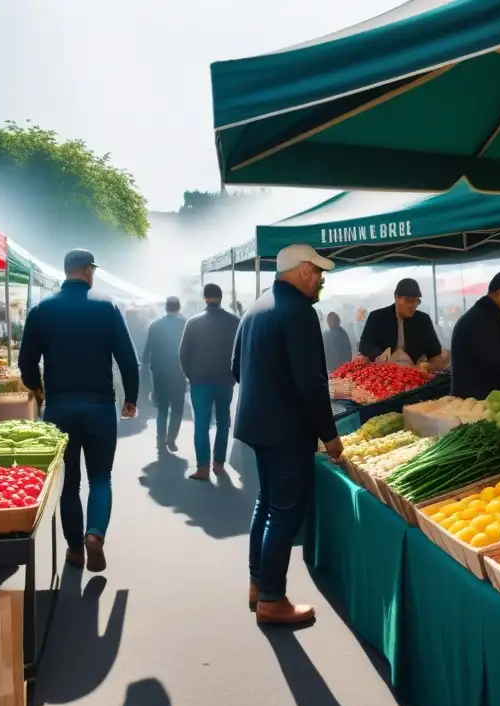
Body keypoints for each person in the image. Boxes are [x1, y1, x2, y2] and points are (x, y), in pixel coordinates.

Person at [233, 244, 342, 625]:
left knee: (266, 504)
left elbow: (236, 368)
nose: (321, 280)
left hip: (257, 423)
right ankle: (272, 600)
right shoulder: (299, 312)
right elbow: (312, 384)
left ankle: (258, 583)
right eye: (318, 272)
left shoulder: (256, 306)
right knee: (283, 512)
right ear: (303, 272)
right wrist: (329, 436)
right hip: (285, 428)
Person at [19, 249, 139, 572]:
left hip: (59, 407)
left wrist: (39, 389)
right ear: (88, 271)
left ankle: (74, 549)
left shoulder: (41, 309)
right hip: (100, 405)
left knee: (69, 481)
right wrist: (131, 397)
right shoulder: (107, 306)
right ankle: (95, 535)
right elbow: (128, 358)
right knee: (101, 476)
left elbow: (26, 363)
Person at [179, 283, 241, 481]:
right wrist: (234, 377)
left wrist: (190, 376)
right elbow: (241, 352)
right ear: (221, 298)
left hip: (200, 382)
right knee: (224, 422)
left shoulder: (193, 322)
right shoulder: (235, 321)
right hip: (225, 381)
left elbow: (183, 353)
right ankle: (219, 464)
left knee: (202, 424)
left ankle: (203, 467)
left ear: (204, 297)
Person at [358, 278, 443, 367]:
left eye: (417, 301)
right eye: (409, 301)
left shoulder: (423, 320)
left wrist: (427, 363)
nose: (413, 305)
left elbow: (435, 351)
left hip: (413, 371)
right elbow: (364, 345)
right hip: (384, 370)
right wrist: (379, 355)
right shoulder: (377, 317)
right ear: (396, 298)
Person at [143, 296, 187, 455]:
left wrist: (147, 372)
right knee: (177, 408)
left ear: (166, 307)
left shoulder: (155, 325)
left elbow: (147, 350)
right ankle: (171, 439)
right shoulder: (185, 324)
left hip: (159, 372)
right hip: (179, 372)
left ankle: (160, 439)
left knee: (162, 408)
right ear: (179, 307)